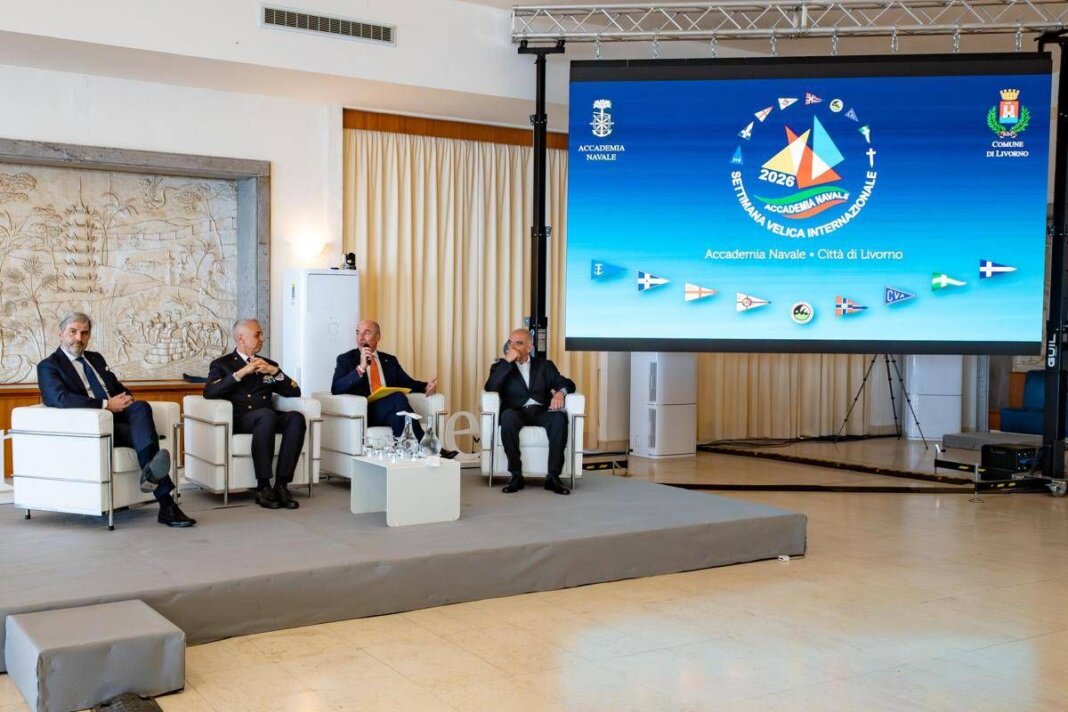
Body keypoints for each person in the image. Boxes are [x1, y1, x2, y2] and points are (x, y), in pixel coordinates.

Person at [37, 312, 195, 528]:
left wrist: (126, 398)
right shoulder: (48, 366)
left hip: (118, 415)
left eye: (84, 333)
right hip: (94, 424)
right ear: (60, 334)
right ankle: (166, 504)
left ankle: (151, 476)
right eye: (73, 332)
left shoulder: (95, 358)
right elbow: (60, 398)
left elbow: (116, 387)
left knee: (140, 406)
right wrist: (106, 405)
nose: (78, 338)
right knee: (145, 438)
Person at [204, 319, 306, 510]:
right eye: (257, 334)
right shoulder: (222, 364)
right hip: (242, 418)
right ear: (241, 338)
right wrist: (242, 372)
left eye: (261, 334)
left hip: (267, 417)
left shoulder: (268, 364)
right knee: (266, 415)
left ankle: (282, 485)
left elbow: (294, 392)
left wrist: (276, 372)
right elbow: (209, 392)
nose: (262, 338)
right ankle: (263, 486)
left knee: (296, 418)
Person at [332, 320, 455, 457]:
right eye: (358, 333)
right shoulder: (346, 359)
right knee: (397, 398)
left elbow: (408, 383)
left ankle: (406, 455)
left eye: (366, 333)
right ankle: (429, 447)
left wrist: (427, 386)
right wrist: (360, 368)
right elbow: (336, 388)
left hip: (388, 410)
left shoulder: (389, 360)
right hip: (366, 411)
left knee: (398, 416)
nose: (361, 338)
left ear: (378, 337)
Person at [484, 328, 576, 495]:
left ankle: (553, 477)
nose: (513, 347)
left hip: (541, 410)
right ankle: (516, 475)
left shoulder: (544, 366)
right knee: (507, 417)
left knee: (559, 419)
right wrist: (507, 362)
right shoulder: (500, 367)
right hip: (516, 411)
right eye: (510, 342)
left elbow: (568, 384)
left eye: (518, 343)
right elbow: (491, 387)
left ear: (529, 347)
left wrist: (560, 393)